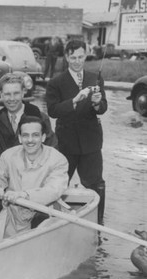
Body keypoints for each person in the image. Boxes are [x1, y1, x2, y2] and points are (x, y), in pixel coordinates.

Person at [46, 39, 107, 225]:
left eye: (81, 57)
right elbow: (52, 111)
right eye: (73, 57)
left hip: (91, 142)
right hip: (67, 143)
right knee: (59, 185)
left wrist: (97, 103)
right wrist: (74, 100)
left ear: (86, 55)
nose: (77, 61)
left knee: (96, 184)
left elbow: (103, 107)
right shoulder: (56, 82)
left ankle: (98, 224)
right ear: (66, 57)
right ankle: (56, 223)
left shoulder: (94, 77)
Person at [0, 116, 68, 241]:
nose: (30, 140)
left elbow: (53, 190)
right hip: (14, 216)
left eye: (35, 135)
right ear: (20, 138)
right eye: (25, 135)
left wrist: (24, 195)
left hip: (45, 216)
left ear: (43, 137)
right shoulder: (9, 155)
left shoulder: (58, 159)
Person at [0, 73, 58, 159]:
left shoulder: (40, 118)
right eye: (7, 94)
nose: (12, 99)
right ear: (1, 95)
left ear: (23, 93)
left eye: (16, 93)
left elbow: (52, 151)